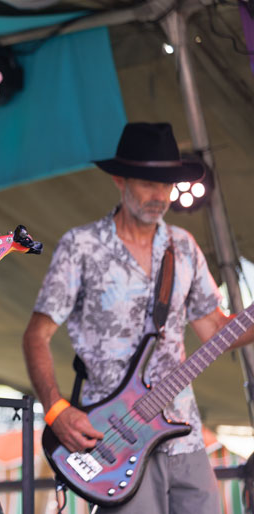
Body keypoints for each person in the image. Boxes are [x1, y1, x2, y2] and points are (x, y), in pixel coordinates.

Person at [22, 122, 254, 514]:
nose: (159, 196)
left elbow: (216, 329)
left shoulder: (183, 246)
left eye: (166, 185)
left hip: (183, 433)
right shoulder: (82, 247)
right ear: (119, 179)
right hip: (111, 438)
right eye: (148, 182)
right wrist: (56, 409)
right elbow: (36, 336)